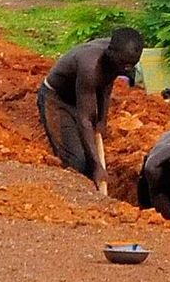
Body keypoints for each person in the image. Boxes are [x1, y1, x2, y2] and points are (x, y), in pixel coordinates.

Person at [37, 28, 145, 196]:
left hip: (80, 98)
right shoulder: (90, 65)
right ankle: (74, 200)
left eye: (131, 65)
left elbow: (106, 84)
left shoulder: (118, 58)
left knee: (87, 157)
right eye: (124, 65)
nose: (127, 69)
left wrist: (102, 120)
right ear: (111, 53)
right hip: (57, 100)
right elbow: (85, 120)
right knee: (77, 162)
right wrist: (98, 166)